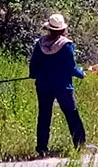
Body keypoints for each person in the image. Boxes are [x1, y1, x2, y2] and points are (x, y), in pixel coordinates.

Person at [29, 13, 87, 157]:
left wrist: (34, 74)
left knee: (44, 116)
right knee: (72, 114)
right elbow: (70, 68)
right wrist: (81, 74)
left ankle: (42, 148)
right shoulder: (66, 45)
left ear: (49, 29)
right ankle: (79, 145)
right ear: (62, 30)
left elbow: (33, 65)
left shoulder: (40, 43)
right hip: (63, 87)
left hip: (43, 85)